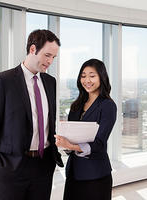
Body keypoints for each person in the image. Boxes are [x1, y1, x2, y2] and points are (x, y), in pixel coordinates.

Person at [0, 29, 64, 200]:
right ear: (33, 49)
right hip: (10, 168)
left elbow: (49, 121)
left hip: (43, 165)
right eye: (47, 55)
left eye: (53, 57)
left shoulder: (50, 82)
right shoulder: (3, 81)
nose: (50, 61)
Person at [55, 58, 117, 200]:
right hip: (74, 173)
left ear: (102, 77)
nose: (87, 80)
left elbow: (100, 144)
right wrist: (64, 142)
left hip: (95, 174)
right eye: (83, 76)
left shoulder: (107, 106)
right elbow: (70, 141)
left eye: (92, 75)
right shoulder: (76, 106)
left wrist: (71, 145)